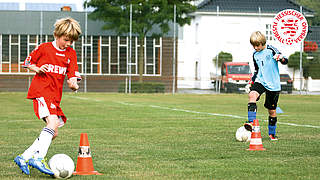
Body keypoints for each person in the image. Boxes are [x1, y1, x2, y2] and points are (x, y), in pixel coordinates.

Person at [14, 17, 82, 176]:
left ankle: (23, 157)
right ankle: (38, 158)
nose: (68, 44)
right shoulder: (44, 48)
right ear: (56, 35)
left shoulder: (71, 53)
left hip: (55, 96)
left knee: (54, 131)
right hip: (41, 91)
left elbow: (73, 75)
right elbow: (27, 62)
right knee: (52, 122)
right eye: (66, 40)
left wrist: (74, 84)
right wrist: (37, 68)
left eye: (72, 41)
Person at [244, 31, 288, 141]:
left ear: (263, 42)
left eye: (257, 45)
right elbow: (257, 70)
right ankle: (251, 123)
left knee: (271, 110)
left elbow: (284, 60)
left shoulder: (271, 49)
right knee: (252, 95)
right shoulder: (255, 55)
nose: (255, 47)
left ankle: (272, 134)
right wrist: (252, 82)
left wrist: (281, 58)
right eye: (253, 45)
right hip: (261, 81)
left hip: (273, 84)